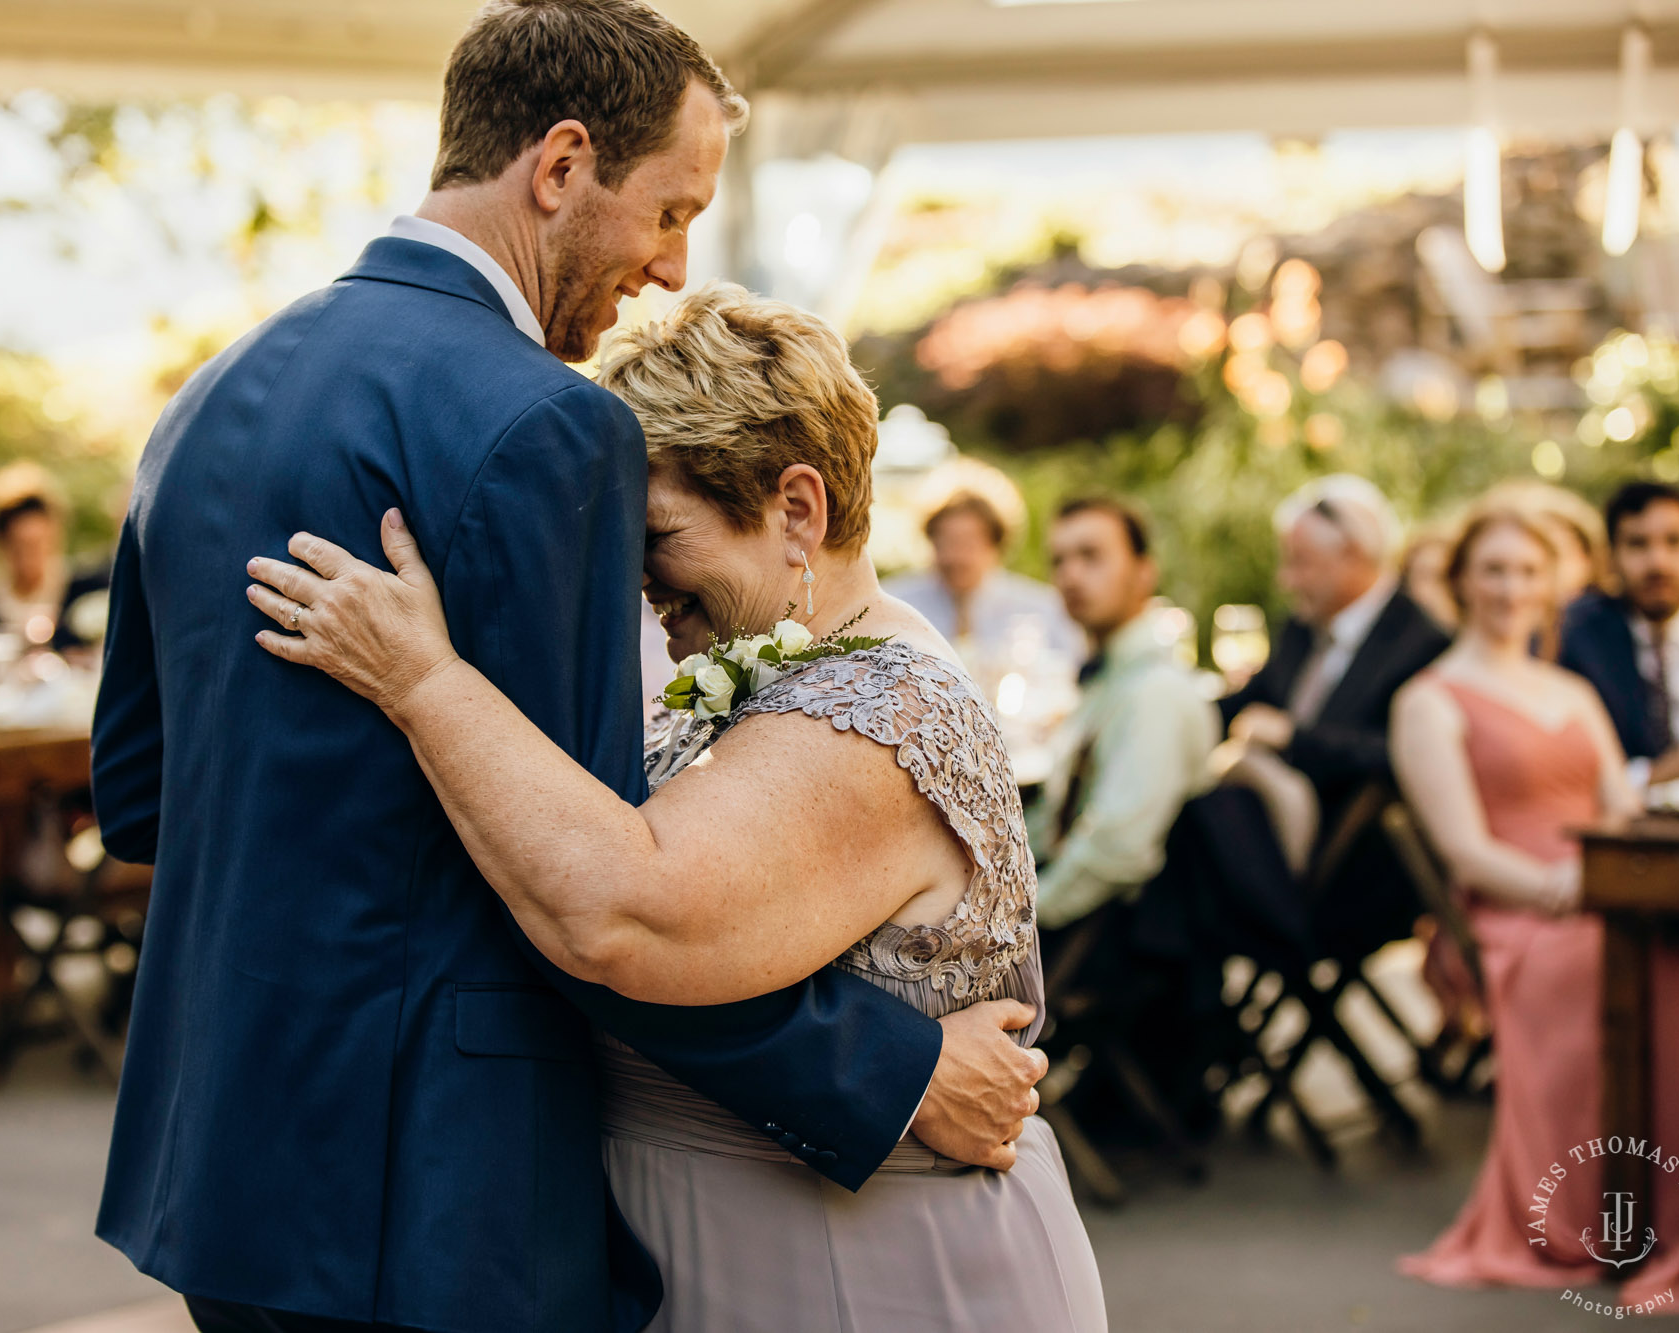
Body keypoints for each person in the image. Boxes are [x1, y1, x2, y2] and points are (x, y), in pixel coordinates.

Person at [91, 7, 1044, 1332]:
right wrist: (890, 1072)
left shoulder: (203, 401)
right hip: (432, 1191)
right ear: (560, 167)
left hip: (222, 1167)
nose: (670, 266)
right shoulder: (545, 423)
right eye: (667, 212)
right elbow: (600, 896)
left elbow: (141, 797)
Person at [246, 283, 1107, 1332]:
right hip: (729, 1243)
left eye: (654, 532)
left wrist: (423, 681)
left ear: (796, 510)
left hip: (865, 1272)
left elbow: (624, 910)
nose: (635, 576)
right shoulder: (776, 676)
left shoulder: (878, 709)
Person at [1392, 504, 1638, 1290]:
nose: (1511, 587)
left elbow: (1620, 809)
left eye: (1529, 571)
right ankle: (1586, 1208)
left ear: (1552, 586)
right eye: (1494, 568)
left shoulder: (1573, 690)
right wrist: (1560, 890)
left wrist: (1611, 877)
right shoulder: (1428, 698)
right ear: (1461, 579)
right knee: (1595, 957)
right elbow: (1465, 849)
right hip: (1515, 913)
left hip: (1607, 892)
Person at [1215, 475, 1450, 951]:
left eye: (1299, 563)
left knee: (1194, 837)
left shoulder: (1420, 641)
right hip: (1264, 849)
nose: (1286, 580)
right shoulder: (1303, 628)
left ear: (1353, 557)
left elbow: (1403, 755)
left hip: (1350, 871)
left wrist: (1294, 738)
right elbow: (1243, 704)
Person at [1029, 498, 1219, 930]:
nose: (1070, 575)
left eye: (1091, 556)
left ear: (1144, 572)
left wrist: (1015, 926)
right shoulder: (1106, 680)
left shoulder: (1156, 693)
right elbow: (1057, 816)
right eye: (1059, 561)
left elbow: (1117, 852)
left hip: (1120, 945)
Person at [1558, 480, 1679, 790]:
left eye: (1674, 541)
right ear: (1611, 558)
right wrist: (1658, 774)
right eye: (1638, 544)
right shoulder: (1577, 639)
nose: (1658, 562)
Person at [884, 464, 1082, 675]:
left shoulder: (1043, 608)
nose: (955, 556)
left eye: (969, 543)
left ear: (995, 546)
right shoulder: (896, 604)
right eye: (945, 542)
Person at [0, 470, 109, 654]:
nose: (31, 556)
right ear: (3, 545)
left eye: (39, 544)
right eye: (20, 546)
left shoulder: (86, 591)